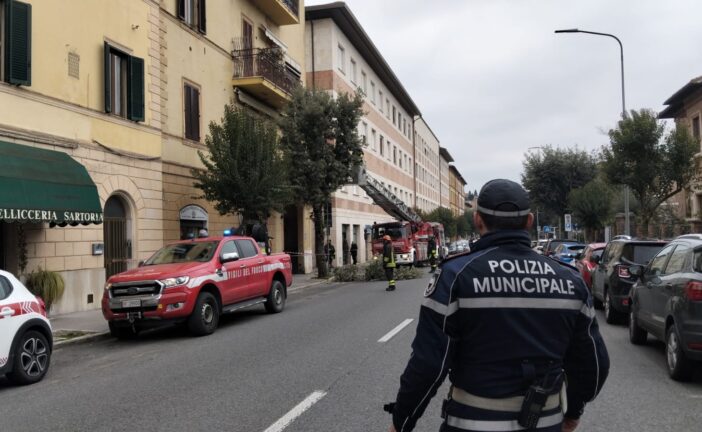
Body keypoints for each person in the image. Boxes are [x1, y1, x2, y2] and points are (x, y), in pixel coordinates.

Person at [386, 179, 609, 432]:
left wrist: (401, 422)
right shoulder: (570, 280)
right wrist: (573, 411)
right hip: (544, 424)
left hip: (471, 424)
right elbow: (593, 363)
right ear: (529, 222)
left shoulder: (455, 276)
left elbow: (428, 365)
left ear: (478, 220)